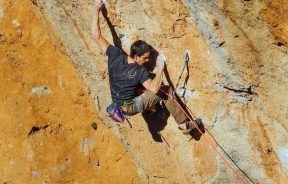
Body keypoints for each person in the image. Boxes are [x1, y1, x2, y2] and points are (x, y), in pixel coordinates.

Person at [91, 0, 199, 135]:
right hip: (130, 107)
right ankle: (184, 125)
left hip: (118, 104)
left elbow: (96, 36)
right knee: (166, 91)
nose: (147, 60)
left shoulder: (115, 54)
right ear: (136, 56)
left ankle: (151, 108)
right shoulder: (139, 71)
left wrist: (96, 11)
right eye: (145, 58)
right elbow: (154, 88)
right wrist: (160, 68)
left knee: (139, 88)